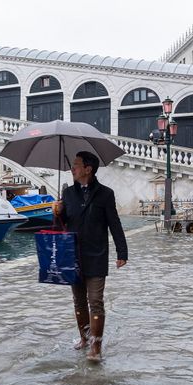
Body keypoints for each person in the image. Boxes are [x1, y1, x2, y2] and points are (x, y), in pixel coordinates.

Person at [54, 151, 128, 362]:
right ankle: (84, 338)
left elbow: (114, 223)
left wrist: (122, 252)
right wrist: (58, 213)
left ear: (88, 169)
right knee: (78, 301)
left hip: (96, 253)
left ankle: (96, 345)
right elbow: (64, 224)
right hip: (73, 254)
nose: (73, 168)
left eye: (76, 165)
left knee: (95, 301)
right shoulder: (67, 194)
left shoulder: (106, 194)